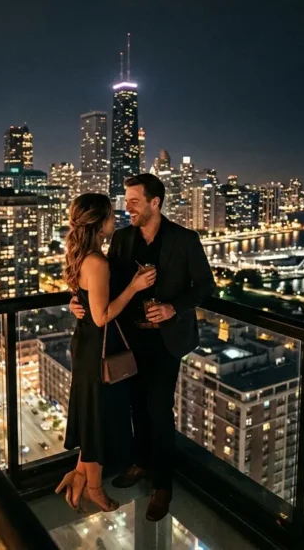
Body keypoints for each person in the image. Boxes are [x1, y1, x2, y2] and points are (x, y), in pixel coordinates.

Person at [70, 173, 215, 521]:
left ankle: (162, 484)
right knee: (134, 407)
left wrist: (172, 308)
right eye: (125, 200)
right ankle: (140, 462)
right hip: (128, 342)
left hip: (165, 343)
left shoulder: (184, 239)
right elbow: (101, 281)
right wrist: (78, 299)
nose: (127, 207)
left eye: (134, 201)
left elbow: (206, 286)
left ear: (155, 203)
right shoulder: (121, 239)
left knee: (159, 411)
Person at [54, 193, 156, 514]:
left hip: (86, 345)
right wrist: (134, 288)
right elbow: (101, 316)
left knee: (91, 414)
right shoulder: (96, 262)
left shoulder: (84, 254)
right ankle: (94, 489)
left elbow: (85, 302)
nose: (117, 219)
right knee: (97, 418)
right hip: (97, 349)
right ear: (99, 223)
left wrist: (78, 303)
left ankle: (78, 476)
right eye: (112, 215)